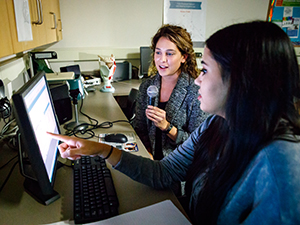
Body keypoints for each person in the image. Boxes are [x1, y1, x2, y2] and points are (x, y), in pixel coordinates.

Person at [48, 21, 300, 224]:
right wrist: (100, 150)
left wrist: (168, 128)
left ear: (242, 80)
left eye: (205, 70)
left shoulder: (281, 166)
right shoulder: (217, 124)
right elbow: (164, 172)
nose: (199, 80)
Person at [133, 24, 207, 160]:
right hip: (150, 162)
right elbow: (140, 129)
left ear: (184, 57)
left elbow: (199, 144)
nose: (162, 59)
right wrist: (147, 152)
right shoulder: (147, 86)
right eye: (158, 52)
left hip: (179, 169)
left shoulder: (196, 91)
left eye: (169, 53)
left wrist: (167, 127)